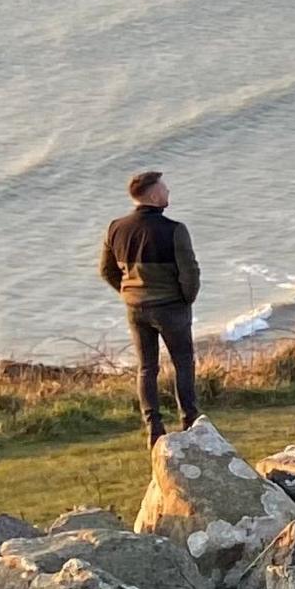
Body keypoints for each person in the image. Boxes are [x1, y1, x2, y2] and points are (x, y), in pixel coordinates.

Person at [98, 169, 203, 438]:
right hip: (171, 306)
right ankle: (190, 421)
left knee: (146, 368)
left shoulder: (116, 228)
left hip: (136, 308)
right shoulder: (175, 230)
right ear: (154, 195)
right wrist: (186, 299)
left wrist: (127, 293)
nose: (168, 192)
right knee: (183, 362)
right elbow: (189, 272)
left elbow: (107, 271)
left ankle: (153, 427)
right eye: (164, 188)